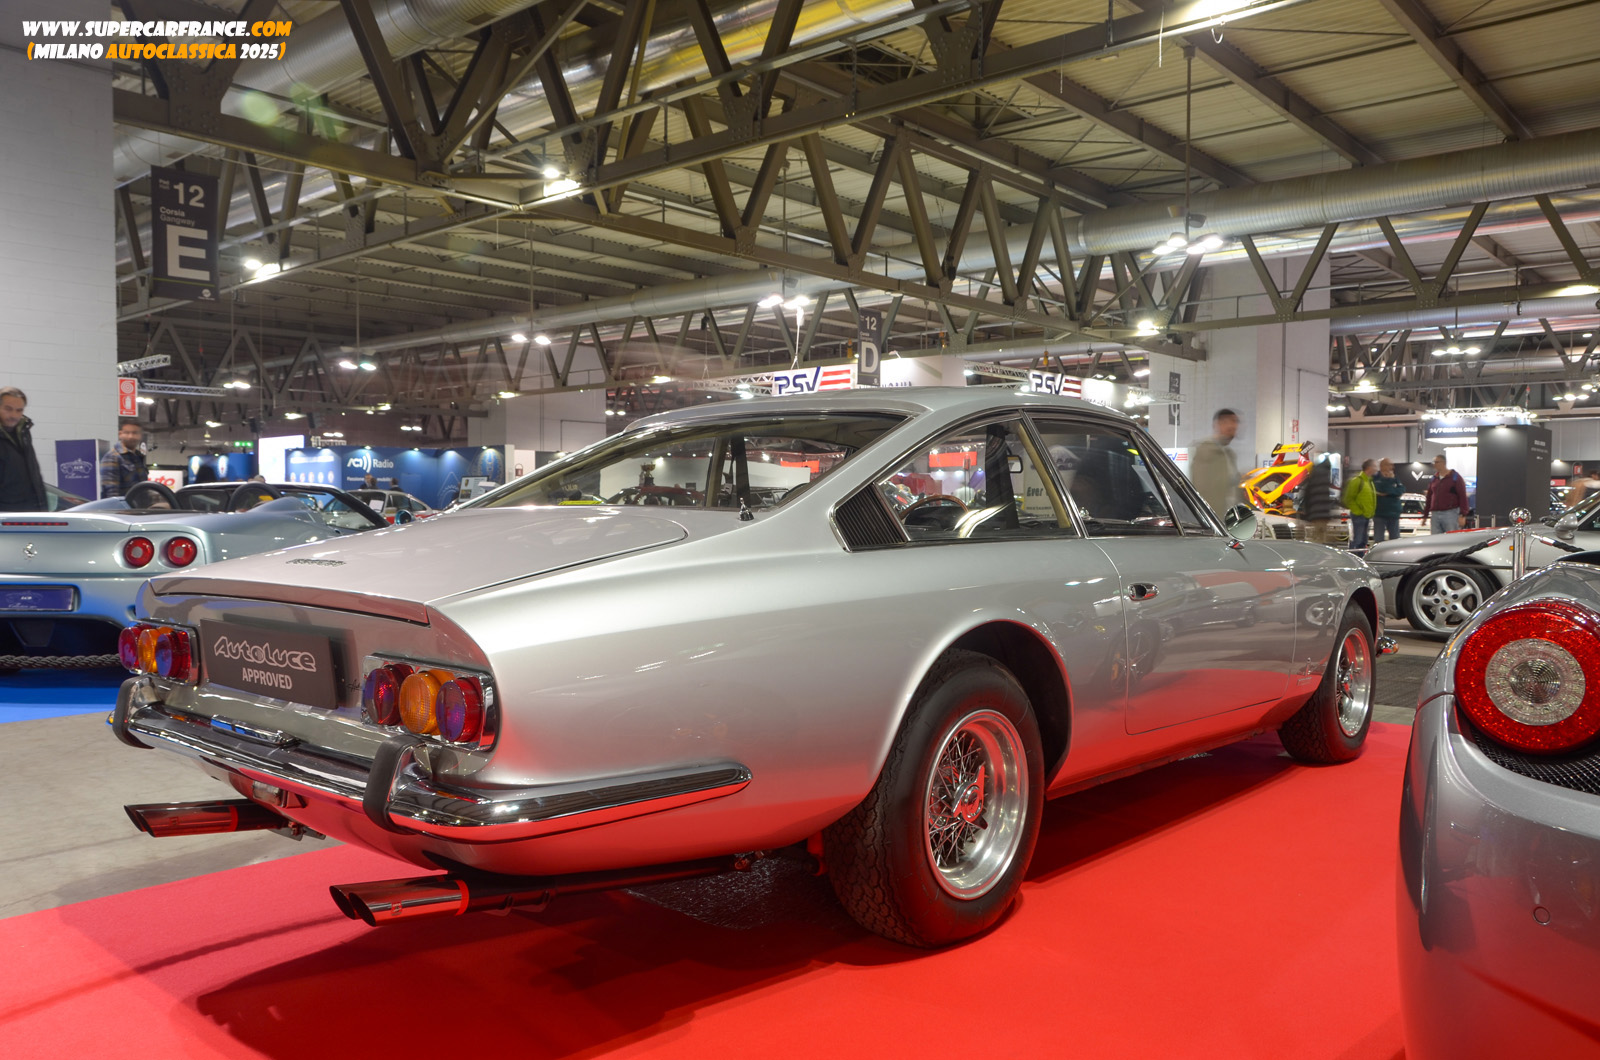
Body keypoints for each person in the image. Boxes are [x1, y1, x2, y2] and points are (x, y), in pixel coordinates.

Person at [0, 386, 47, 512]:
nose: (14, 415)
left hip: (31, 514)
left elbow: (34, 475)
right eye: (8, 409)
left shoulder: (23, 433)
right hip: (7, 517)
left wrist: (43, 511)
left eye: (19, 410)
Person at [1188, 408, 1242, 515]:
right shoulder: (1205, 451)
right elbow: (1200, 488)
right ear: (1217, 425)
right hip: (1212, 517)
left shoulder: (1230, 455)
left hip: (1227, 518)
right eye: (1229, 426)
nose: (1233, 430)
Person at [99, 419, 148, 499]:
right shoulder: (112, 457)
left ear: (140, 435)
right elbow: (112, 496)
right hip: (123, 507)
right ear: (120, 434)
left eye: (135, 433)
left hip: (140, 506)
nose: (131, 436)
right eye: (127, 433)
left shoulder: (138, 457)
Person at [1422, 454, 1470, 534]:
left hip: (1450, 514)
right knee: (1435, 538)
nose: (1434, 464)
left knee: (1451, 538)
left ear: (1443, 463)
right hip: (1435, 514)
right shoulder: (1434, 479)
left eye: (1436, 462)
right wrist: (1425, 516)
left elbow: (1462, 496)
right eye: (1434, 462)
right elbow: (1429, 497)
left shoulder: (1455, 477)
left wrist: (1463, 515)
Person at [1341, 459, 1377, 550]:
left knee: (1363, 541)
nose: (1376, 468)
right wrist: (1358, 511)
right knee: (1357, 540)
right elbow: (1348, 499)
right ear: (1369, 468)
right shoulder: (1357, 481)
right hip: (1359, 516)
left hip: (1367, 516)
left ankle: (1360, 557)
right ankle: (1354, 557)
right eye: (1374, 466)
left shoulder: (1369, 482)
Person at [1299, 452, 1335, 543]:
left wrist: (1306, 511)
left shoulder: (1314, 476)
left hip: (1315, 514)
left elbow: (1307, 495)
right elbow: (1324, 499)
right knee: (1320, 538)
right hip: (1322, 514)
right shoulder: (1323, 479)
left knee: (1317, 536)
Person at [1372, 458, 1404, 542]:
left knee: (1395, 540)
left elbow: (1401, 490)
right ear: (1382, 466)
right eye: (1390, 464)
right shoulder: (1375, 478)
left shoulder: (1395, 477)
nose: (1392, 467)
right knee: (1378, 539)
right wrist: (1389, 481)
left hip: (1394, 514)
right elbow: (1381, 489)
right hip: (1379, 514)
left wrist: (1388, 492)